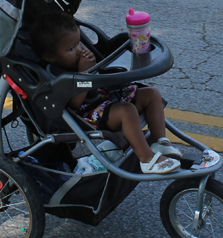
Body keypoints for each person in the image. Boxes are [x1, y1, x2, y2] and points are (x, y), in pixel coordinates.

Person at [30, 12, 181, 174]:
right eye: (71, 48)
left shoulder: (77, 59)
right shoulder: (55, 72)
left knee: (151, 93)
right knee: (127, 111)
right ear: (50, 57)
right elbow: (74, 103)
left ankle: (160, 142)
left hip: (105, 98)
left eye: (79, 44)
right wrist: (84, 72)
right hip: (89, 113)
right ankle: (147, 159)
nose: (80, 50)